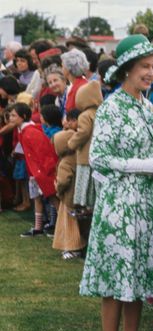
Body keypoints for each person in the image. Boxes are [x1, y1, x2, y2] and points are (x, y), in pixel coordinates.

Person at [79, 34, 153, 331]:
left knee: (139, 277)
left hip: (146, 202)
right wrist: (144, 165)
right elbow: (99, 159)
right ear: (127, 69)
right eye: (145, 67)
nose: (152, 72)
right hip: (120, 205)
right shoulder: (112, 107)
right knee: (117, 279)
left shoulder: (147, 105)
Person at [9, 102, 59, 237]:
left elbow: (44, 153)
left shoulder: (30, 132)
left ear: (23, 116)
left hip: (42, 172)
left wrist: (46, 172)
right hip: (35, 172)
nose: (10, 118)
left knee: (54, 199)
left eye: (14, 115)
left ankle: (62, 228)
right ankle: (38, 227)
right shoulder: (24, 131)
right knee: (37, 198)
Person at [67, 80, 103, 214]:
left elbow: (83, 132)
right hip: (98, 154)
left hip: (85, 156)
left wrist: (71, 143)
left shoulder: (84, 115)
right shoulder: (101, 112)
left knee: (86, 183)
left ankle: (87, 207)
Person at [52, 129, 86, 259]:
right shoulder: (80, 155)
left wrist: (58, 188)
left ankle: (73, 248)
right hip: (80, 196)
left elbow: (63, 180)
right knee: (81, 223)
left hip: (68, 198)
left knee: (69, 224)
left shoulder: (65, 162)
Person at [61, 49, 89, 113]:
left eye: (62, 66)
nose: (61, 69)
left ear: (68, 68)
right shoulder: (82, 82)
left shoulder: (78, 87)